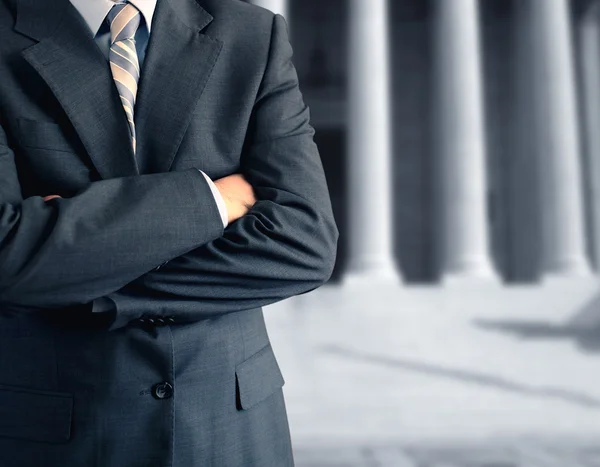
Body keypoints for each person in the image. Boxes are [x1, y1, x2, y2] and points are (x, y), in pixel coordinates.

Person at [0, 0, 339, 465]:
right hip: (55, 432)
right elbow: (9, 256)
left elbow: (305, 244)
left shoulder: (254, 33)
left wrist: (80, 268)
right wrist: (213, 202)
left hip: (230, 428)